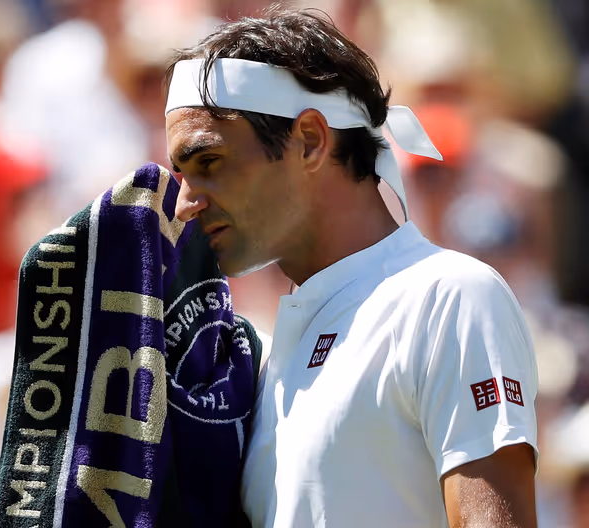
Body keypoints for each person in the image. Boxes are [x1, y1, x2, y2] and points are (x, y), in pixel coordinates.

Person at [163, 8, 538, 528]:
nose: (186, 202)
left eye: (208, 162)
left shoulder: (449, 296)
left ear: (311, 140)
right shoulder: (264, 361)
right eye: (181, 173)